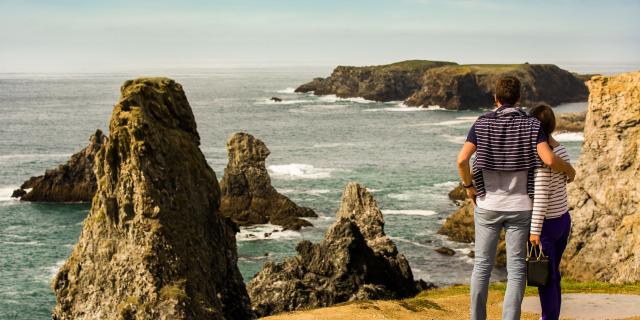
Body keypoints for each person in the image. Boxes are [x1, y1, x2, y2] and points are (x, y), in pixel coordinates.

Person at [456, 76, 576, 320]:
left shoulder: (481, 123)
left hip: (488, 205)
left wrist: (469, 186)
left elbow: (461, 160)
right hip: (521, 208)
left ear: (495, 98)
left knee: (481, 267)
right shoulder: (531, 125)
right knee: (517, 269)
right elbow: (550, 159)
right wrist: (570, 171)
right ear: (519, 98)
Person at [528, 104, 572, 320]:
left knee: (546, 279)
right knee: (553, 273)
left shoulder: (543, 159)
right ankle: (551, 315)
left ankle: (548, 317)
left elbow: (542, 196)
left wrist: (535, 231)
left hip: (546, 226)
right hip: (563, 219)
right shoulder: (561, 150)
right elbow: (565, 180)